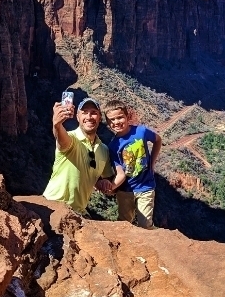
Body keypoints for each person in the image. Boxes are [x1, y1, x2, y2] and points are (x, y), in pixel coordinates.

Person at [43, 96, 122, 214]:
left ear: (100, 118)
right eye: (84, 112)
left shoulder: (104, 150)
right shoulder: (72, 138)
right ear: (77, 117)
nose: (89, 117)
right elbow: (61, 139)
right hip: (53, 206)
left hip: (78, 212)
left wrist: (102, 183)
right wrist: (57, 125)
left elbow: (104, 180)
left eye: (94, 113)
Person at [100, 99, 162, 230]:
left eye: (120, 117)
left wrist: (152, 163)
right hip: (125, 191)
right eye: (111, 120)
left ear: (127, 116)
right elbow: (121, 174)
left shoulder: (141, 131)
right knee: (124, 223)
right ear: (108, 123)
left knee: (145, 225)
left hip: (146, 187)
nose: (116, 122)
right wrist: (111, 187)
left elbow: (158, 140)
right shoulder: (113, 146)